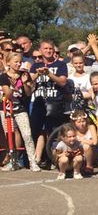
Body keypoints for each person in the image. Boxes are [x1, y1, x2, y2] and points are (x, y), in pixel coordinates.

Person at [30, 40, 69, 168]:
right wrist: (37, 74)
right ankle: (39, 158)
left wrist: (49, 74)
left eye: (50, 48)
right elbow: (28, 82)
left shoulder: (61, 64)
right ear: (40, 50)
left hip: (55, 103)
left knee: (53, 133)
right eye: (45, 48)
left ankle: (54, 159)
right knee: (39, 131)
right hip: (39, 103)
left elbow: (62, 82)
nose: (48, 51)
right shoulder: (35, 66)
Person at [0, 52, 40, 171]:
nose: (18, 64)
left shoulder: (24, 74)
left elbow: (27, 93)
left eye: (20, 62)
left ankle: (33, 162)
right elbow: (8, 94)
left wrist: (24, 83)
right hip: (6, 109)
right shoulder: (3, 77)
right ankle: (13, 161)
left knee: (27, 134)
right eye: (15, 62)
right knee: (9, 135)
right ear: (8, 63)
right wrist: (13, 86)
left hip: (21, 108)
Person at [70, 109, 98, 176]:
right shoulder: (72, 130)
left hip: (92, 152)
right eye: (79, 122)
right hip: (77, 151)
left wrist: (83, 141)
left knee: (86, 146)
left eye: (83, 121)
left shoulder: (91, 127)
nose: (82, 124)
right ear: (74, 123)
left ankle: (89, 166)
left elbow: (95, 142)